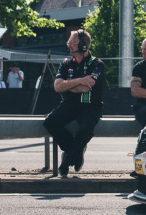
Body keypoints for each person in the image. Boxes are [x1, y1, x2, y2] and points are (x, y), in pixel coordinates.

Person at [44, 29, 105, 177]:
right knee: (50, 122)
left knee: (85, 129)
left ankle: (66, 161)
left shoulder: (96, 64)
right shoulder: (65, 63)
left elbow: (85, 87)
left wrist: (68, 84)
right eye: (68, 43)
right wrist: (79, 81)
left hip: (90, 106)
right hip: (70, 104)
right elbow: (57, 86)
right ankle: (76, 151)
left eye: (72, 43)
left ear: (83, 45)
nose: (69, 46)